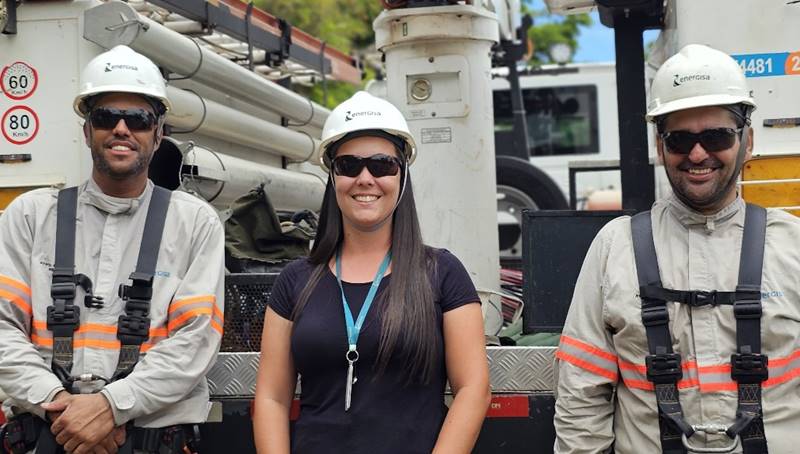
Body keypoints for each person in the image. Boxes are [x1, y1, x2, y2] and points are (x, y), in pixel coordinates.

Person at [553, 44, 800, 453]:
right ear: (659, 145)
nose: (698, 153)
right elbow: (582, 394)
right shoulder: (616, 248)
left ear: (748, 141)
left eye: (717, 136)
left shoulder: (791, 244)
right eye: (680, 139)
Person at [0, 45, 225, 454]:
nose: (122, 129)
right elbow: (1, 328)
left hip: (153, 441)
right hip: (48, 436)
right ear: (87, 130)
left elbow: (196, 340)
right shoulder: (30, 216)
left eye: (139, 119)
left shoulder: (195, 223)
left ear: (159, 134)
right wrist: (63, 409)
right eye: (106, 117)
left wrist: (111, 407)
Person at [253, 91, 490, 454]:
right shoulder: (295, 282)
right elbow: (271, 398)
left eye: (382, 165)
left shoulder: (443, 273)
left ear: (402, 174)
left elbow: (473, 389)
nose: (365, 178)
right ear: (333, 176)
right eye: (349, 166)